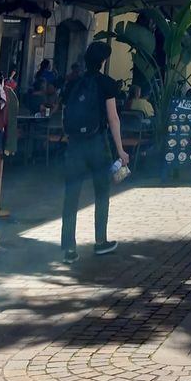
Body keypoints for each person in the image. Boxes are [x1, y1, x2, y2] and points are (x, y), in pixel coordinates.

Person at [60, 41, 129, 264]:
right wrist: (120, 149)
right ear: (102, 61)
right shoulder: (106, 84)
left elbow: (65, 114)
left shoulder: (72, 84)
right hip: (98, 144)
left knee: (71, 196)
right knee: (102, 193)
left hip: (75, 146)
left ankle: (69, 248)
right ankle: (100, 242)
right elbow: (113, 118)